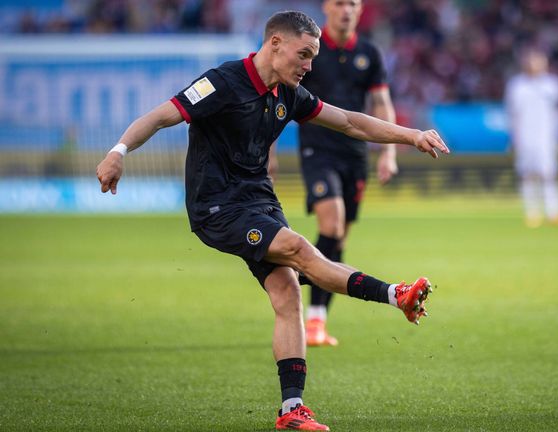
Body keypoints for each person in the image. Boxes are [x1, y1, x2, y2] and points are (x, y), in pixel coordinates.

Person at [96, 11, 449, 431]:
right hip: (218, 206)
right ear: (275, 43)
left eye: (313, 57)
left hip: (259, 201)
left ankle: (291, 410)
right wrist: (118, 151)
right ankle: (395, 294)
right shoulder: (223, 83)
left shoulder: (290, 93)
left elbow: (350, 121)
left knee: (287, 295)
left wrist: (410, 135)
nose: (309, 66)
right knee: (301, 250)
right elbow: (160, 116)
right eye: (304, 54)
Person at [282, 0, 399, 348]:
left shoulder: (369, 54)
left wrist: (388, 151)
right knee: (331, 225)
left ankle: (315, 308)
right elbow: (283, 94)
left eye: (352, 3)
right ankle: (313, 316)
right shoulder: (312, 51)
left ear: (360, 10)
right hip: (318, 148)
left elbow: (381, 103)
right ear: (327, 8)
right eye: (339, 3)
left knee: (337, 240)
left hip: (354, 154)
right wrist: (269, 151)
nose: (346, 9)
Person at [503, 48, 558, 228]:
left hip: (546, 138)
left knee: (549, 175)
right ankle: (532, 213)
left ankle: (554, 212)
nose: (534, 65)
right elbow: (512, 115)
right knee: (527, 175)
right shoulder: (517, 86)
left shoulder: (553, 85)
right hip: (525, 138)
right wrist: (513, 138)